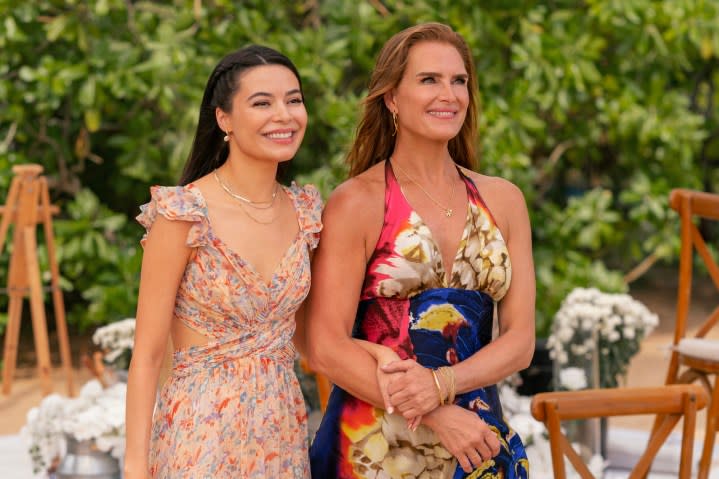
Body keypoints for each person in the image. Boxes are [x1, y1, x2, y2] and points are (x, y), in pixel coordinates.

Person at [307, 23, 533, 478]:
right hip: (373, 449)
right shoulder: (358, 202)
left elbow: (520, 341)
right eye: (429, 79)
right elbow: (325, 345)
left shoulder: (504, 200)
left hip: (476, 442)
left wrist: (443, 384)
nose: (448, 94)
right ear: (391, 97)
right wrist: (433, 410)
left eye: (459, 80)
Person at [123, 45, 321, 479]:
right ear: (224, 119)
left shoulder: (305, 213)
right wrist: (135, 467)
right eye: (262, 103)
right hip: (201, 435)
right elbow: (149, 353)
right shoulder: (183, 213)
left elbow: (311, 341)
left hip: (282, 434)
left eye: (294, 100)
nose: (284, 115)